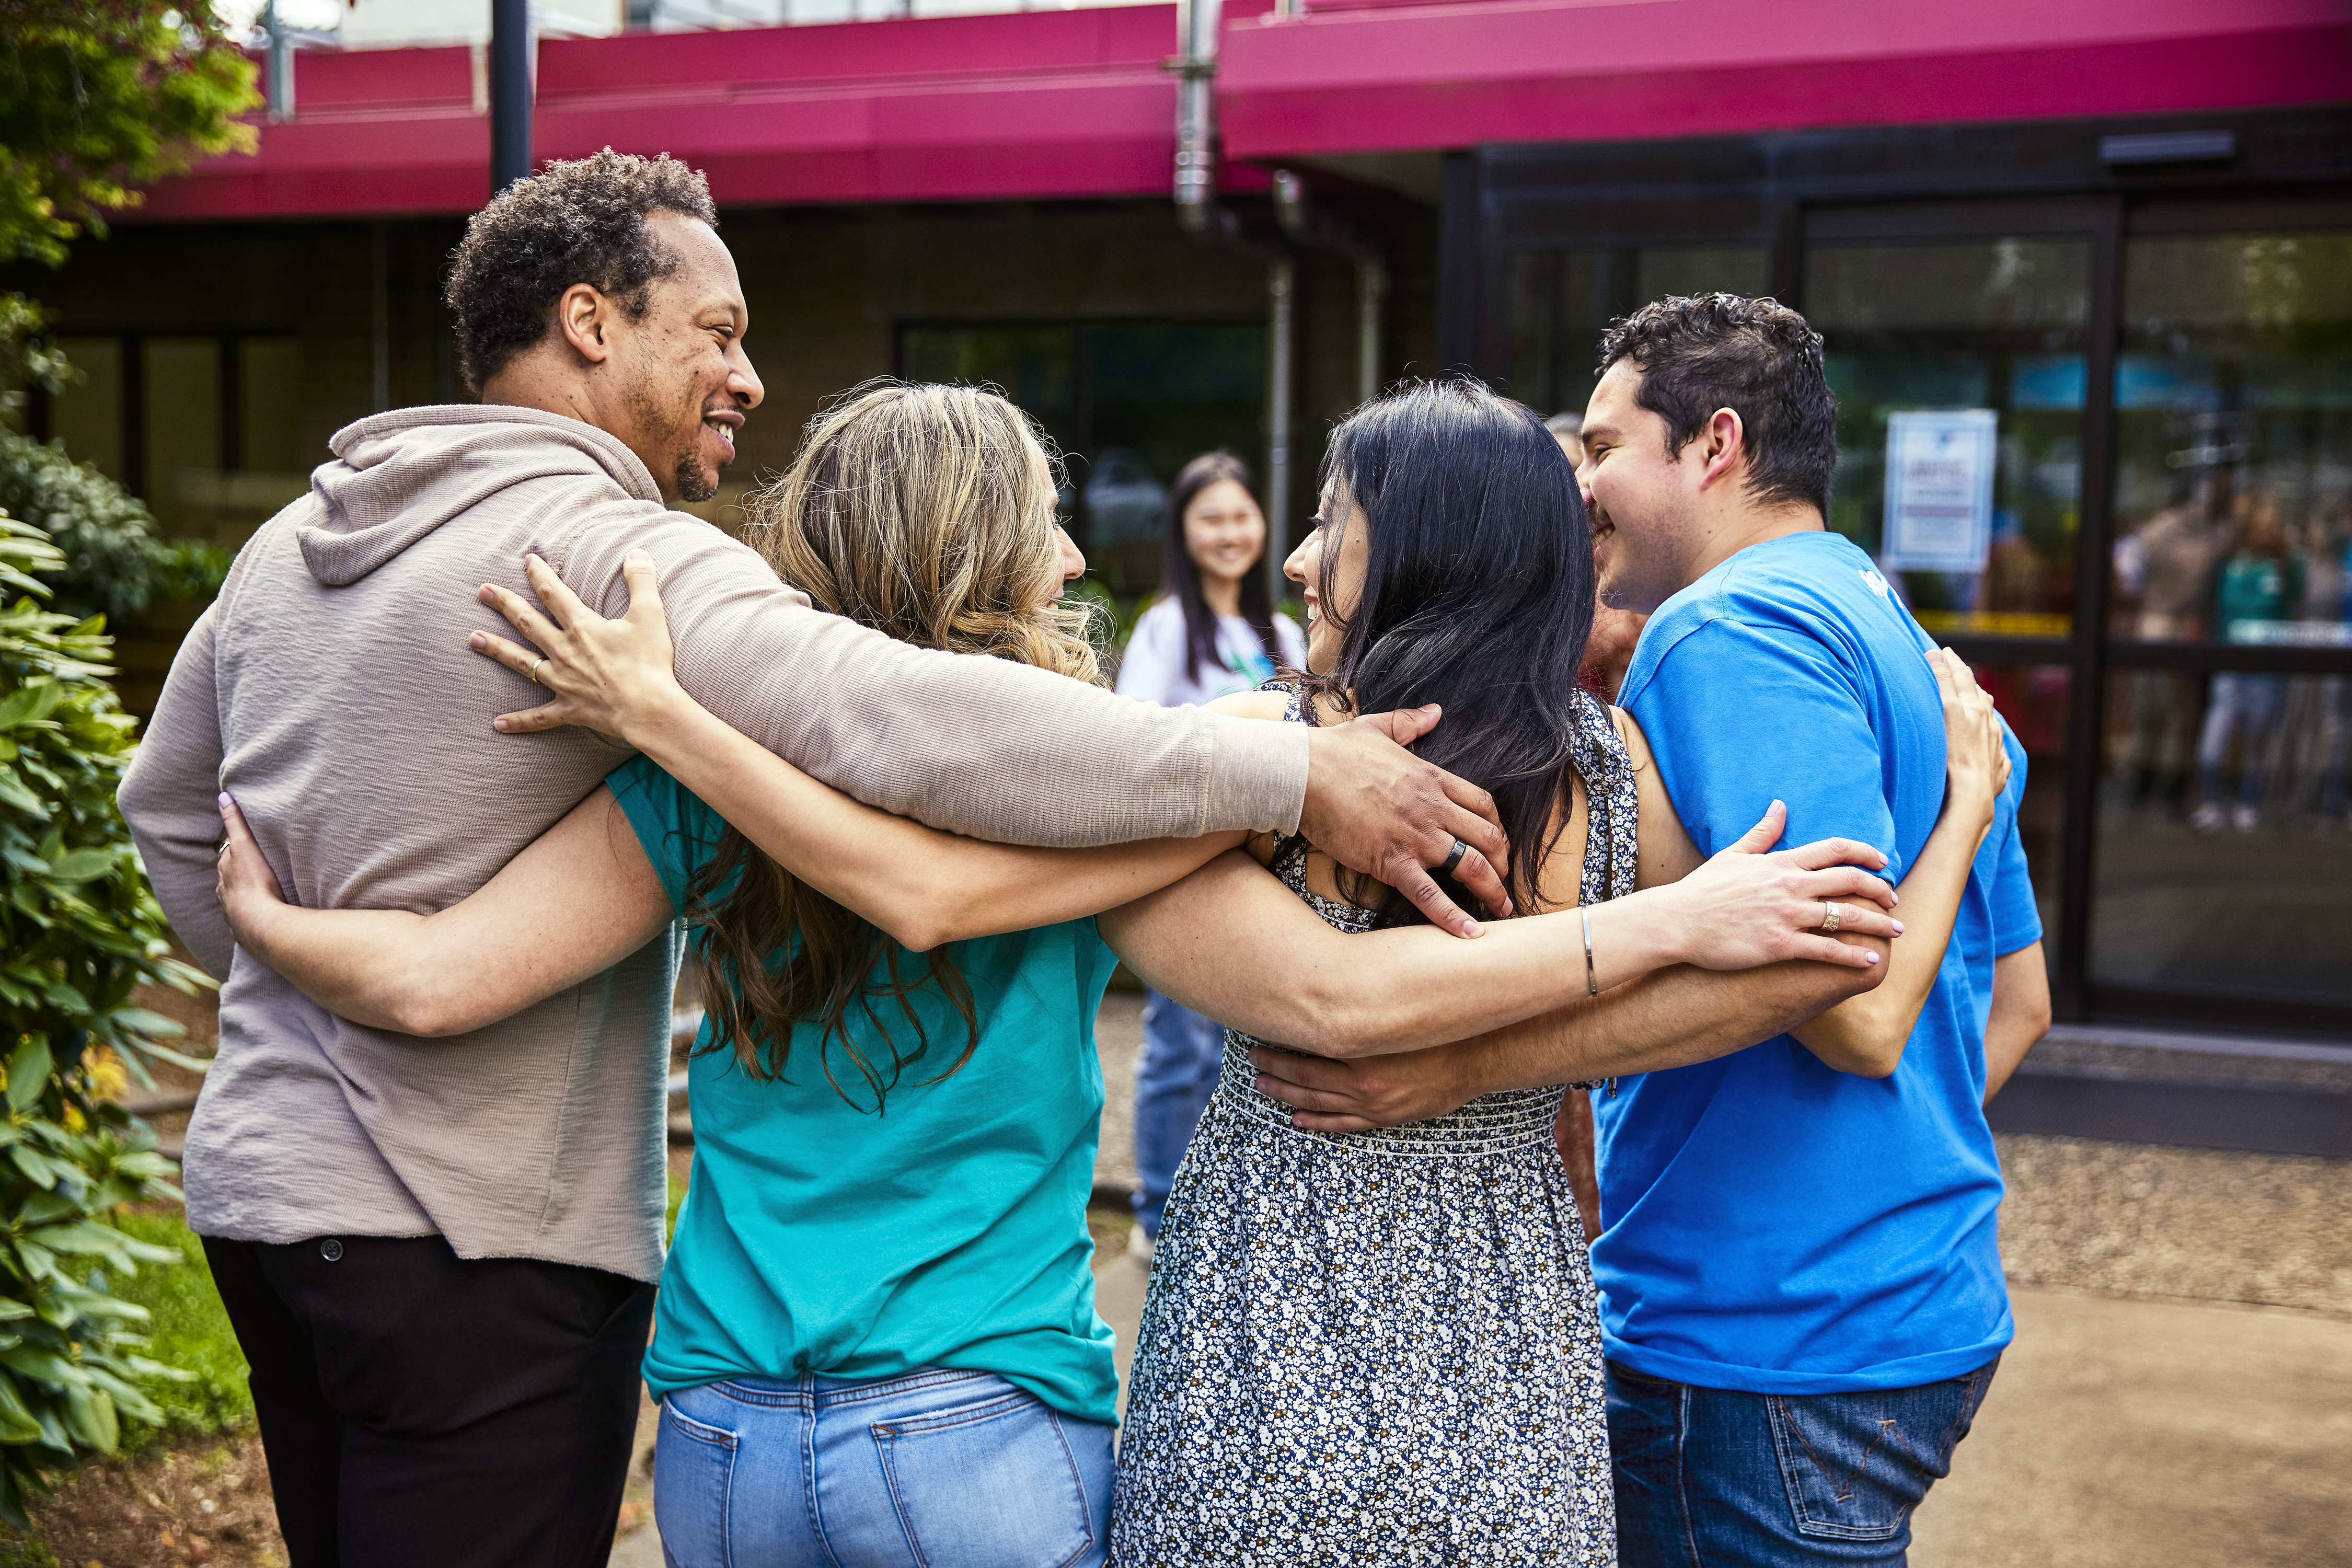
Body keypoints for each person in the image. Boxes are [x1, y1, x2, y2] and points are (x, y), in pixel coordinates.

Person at [210, 380, 1909, 1567]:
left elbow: (438, 979)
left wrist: (268, 933)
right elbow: (956, 891)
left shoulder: (698, 792)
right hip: (983, 1423)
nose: (1086, 565)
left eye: (1326, 521)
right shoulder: (1133, 766)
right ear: (988, 554)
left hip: (728, 1433)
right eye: (1049, 531)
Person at [113, 154, 1520, 1568]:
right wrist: (1287, 771)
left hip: (286, 1219)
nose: (750, 378)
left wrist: (288, 966)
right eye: (717, 333)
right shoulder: (622, 557)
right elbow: (891, 720)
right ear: (591, 323)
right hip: (513, 1243)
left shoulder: (293, 542)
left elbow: (173, 815)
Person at [1108, 379, 2013, 1566]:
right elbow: (1338, 997)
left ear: (1431, 551)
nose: (1292, 559)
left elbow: (1808, 963)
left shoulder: (1259, 750)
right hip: (1507, 1301)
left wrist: (1477, 1053)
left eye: (1331, 519)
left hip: (1286, 1301)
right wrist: (1677, 921)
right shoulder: (1592, 768)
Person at [1113, 453, 1307, 1251]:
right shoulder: (1164, 629)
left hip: (1272, 882)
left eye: (1241, 516)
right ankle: (1159, 1216)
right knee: (1182, 1050)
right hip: (1186, 875)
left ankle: (1230, 1224)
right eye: (1211, 518)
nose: (1230, 533)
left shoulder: (1284, 631)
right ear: (1184, 533)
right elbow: (1127, 741)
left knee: (1254, 1054)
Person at [2192, 492, 2302, 833]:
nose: (2267, 532)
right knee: (2214, 741)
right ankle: (2212, 803)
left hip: (2265, 667)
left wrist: (2288, 552)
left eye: (2273, 526)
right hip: (2230, 661)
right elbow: (2225, 605)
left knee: (2257, 740)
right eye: (2262, 525)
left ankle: (2247, 803)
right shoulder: (2232, 562)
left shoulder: (2287, 566)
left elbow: (2290, 600)